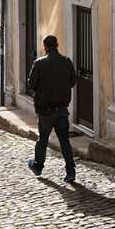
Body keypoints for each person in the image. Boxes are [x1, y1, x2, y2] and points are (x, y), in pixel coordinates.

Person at [27, 34, 77, 183]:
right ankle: (70, 171)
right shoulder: (66, 62)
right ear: (57, 45)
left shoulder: (39, 63)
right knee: (64, 141)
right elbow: (73, 81)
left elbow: (31, 84)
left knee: (43, 140)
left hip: (45, 111)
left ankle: (38, 165)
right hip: (62, 110)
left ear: (45, 47)